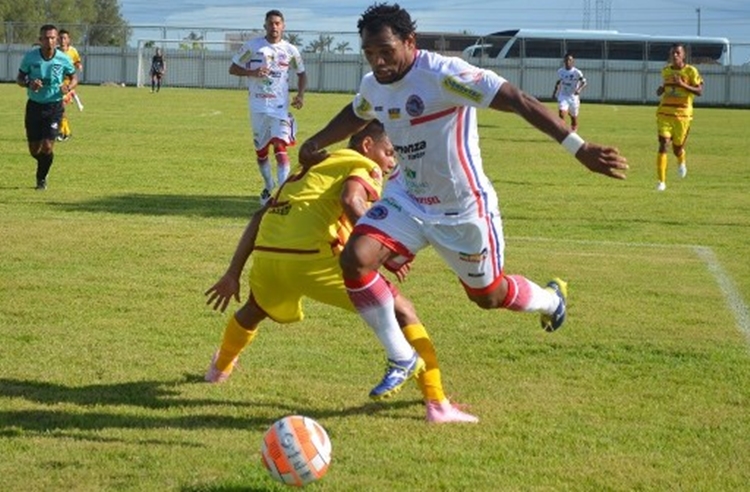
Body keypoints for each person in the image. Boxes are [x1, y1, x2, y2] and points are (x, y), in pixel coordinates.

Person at [298, 4, 628, 372]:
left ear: (410, 41)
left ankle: (551, 301)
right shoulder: (374, 85)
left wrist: (578, 148)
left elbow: (518, 100)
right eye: (370, 53)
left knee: (489, 296)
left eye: (386, 51)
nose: (378, 62)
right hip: (407, 199)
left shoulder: (444, 74)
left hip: (461, 208)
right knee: (355, 258)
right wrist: (316, 141)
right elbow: (358, 110)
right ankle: (401, 356)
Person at [204, 120, 477, 423]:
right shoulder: (361, 164)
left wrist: (233, 272)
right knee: (402, 311)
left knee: (255, 309)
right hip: (314, 257)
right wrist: (380, 245)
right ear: (366, 146)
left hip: (270, 255)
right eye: (389, 153)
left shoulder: (310, 168)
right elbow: (351, 199)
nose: (390, 164)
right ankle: (437, 404)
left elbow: (260, 214)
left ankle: (218, 370)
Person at [229, 9, 307, 205]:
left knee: (280, 145)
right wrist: (253, 71)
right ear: (265, 25)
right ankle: (268, 183)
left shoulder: (291, 50)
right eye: (271, 23)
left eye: (278, 23)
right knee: (261, 152)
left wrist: (300, 95)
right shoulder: (252, 47)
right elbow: (233, 68)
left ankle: (282, 195)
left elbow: (302, 74)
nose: (274, 27)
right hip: (258, 107)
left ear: (283, 26)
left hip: (279, 108)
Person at [16, 24, 78, 191]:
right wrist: (29, 83)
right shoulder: (30, 57)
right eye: (46, 38)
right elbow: (20, 78)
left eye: (53, 38)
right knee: (34, 149)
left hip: (54, 106)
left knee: (48, 145)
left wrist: (69, 87)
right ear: (40, 40)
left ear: (56, 39)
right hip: (34, 106)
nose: (49, 41)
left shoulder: (63, 59)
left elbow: (74, 78)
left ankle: (41, 178)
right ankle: (43, 165)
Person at [655, 43, 703, 191]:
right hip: (665, 113)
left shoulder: (691, 71)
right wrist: (661, 90)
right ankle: (661, 182)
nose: (674, 55)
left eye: (677, 53)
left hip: (683, 116)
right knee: (663, 144)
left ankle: (681, 160)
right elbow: (666, 87)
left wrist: (682, 84)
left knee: (677, 149)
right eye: (672, 53)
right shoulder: (666, 71)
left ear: (683, 55)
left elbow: (699, 91)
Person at [57, 29, 83, 142]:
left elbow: (77, 61)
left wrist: (78, 65)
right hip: (57, 84)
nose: (62, 40)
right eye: (60, 38)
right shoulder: (55, 51)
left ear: (68, 39)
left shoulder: (73, 51)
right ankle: (66, 132)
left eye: (64, 38)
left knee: (60, 107)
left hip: (68, 84)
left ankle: (62, 133)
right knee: (58, 109)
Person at [552, 52, 587, 133]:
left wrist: (579, 90)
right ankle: (563, 132)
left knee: (574, 118)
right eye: (566, 60)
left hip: (573, 97)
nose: (568, 62)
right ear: (564, 61)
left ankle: (574, 129)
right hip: (563, 95)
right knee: (561, 113)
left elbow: (584, 82)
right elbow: (558, 82)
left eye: (570, 60)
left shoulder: (577, 72)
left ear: (573, 61)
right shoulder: (560, 71)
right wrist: (554, 92)